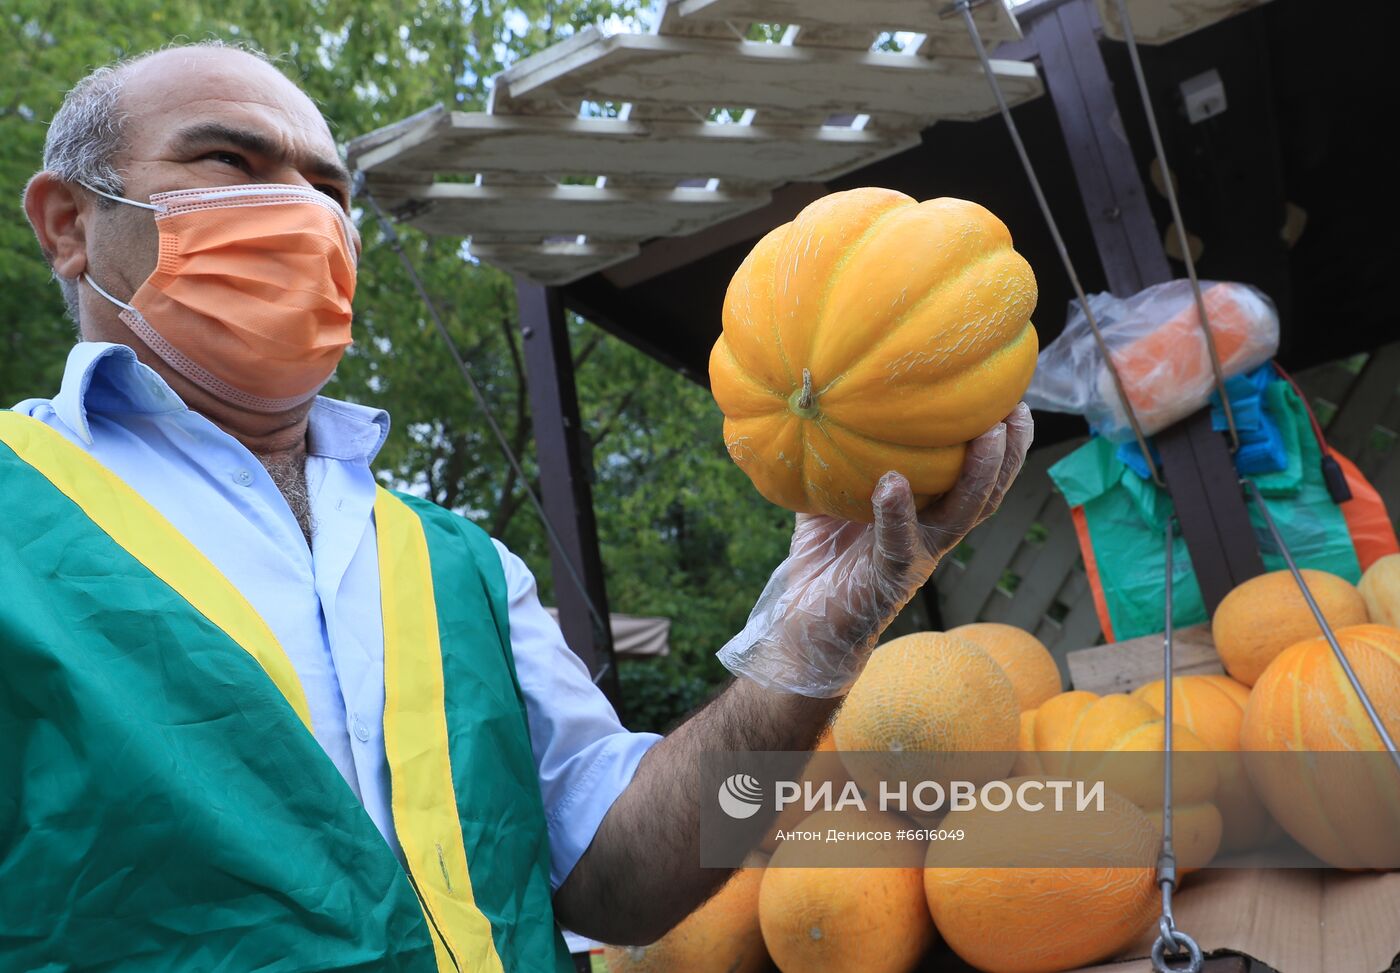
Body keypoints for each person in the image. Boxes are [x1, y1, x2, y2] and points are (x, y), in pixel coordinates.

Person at [6, 41, 1032, 972]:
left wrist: (805, 648)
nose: (307, 212)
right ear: (69, 225)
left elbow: (623, 883)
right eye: (230, 164)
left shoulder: (461, 565)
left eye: (330, 189)